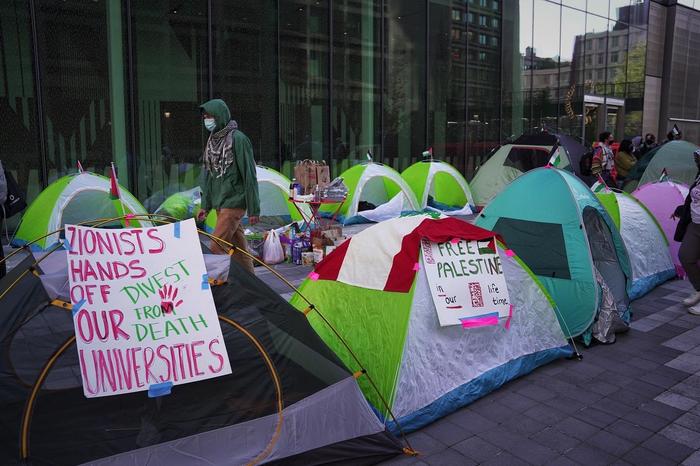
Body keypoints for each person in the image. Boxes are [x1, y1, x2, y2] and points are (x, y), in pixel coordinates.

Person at [196, 99, 260, 274]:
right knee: (239, 250)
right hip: (220, 203)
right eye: (205, 116)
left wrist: (254, 209)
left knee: (216, 247)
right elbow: (209, 176)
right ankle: (252, 285)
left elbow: (249, 175)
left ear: (219, 116)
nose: (207, 120)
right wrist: (205, 205)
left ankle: (215, 288)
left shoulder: (238, 140)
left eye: (210, 116)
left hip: (234, 202)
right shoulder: (212, 141)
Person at [674, 148, 700, 315]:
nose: (696, 161)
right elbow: (693, 198)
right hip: (695, 223)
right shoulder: (699, 176)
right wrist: (680, 210)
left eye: (698, 159)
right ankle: (699, 289)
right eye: (696, 158)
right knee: (686, 256)